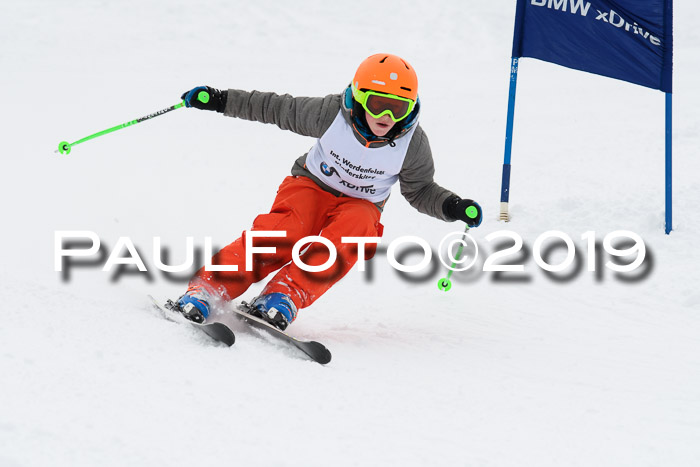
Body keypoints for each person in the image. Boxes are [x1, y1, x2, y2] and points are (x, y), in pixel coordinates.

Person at [174, 53, 482, 330]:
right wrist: (220, 100)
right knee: (286, 231)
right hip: (311, 185)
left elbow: (421, 190)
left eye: (398, 108)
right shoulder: (331, 114)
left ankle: (284, 295)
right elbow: (274, 107)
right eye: (378, 104)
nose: (387, 117)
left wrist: (452, 206)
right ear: (360, 98)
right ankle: (211, 288)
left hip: (361, 204)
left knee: (354, 232)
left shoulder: (413, 144)